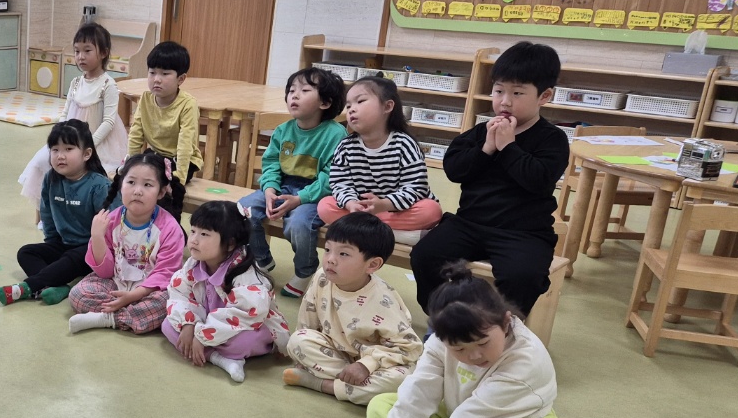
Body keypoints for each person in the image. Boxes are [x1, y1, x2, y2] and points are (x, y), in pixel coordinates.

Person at [361, 263, 565, 418]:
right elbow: (420, 387)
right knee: (380, 406)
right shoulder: (439, 341)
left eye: (483, 343)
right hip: (454, 412)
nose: (474, 356)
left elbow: (476, 417)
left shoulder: (526, 361)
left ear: (506, 321)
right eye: (459, 349)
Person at [410, 42, 569, 316]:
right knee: (426, 255)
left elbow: (539, 180)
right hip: (470, 223)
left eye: (517, 93)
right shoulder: (480, 132)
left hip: (523, 232)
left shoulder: (552, 139)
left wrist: (508, 147)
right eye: (498, 91)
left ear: (544, 96)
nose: (505, 101)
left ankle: (500, 328)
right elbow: (454, 170)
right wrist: (486, 148)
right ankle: (444, 318)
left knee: (523, 276)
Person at [284, 213, 424, 404]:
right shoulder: (322, 277)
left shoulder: (383, 300)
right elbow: (307, 322)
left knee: (403, 380)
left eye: (343, 254)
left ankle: (322, 384)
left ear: (372, 264)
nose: (330, 259)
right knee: (298, 340)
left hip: (378, 362)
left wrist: (367, 364)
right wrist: (301, 355)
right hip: (336, 353)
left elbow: (410, 348)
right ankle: (351, 385)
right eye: (327, 249)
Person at [238, 67, 347, 298]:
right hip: (284, 185)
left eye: (305, 90)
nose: (294, 95)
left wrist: (300, 199)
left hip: (317, 193)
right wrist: (269, 189)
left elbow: (332, 177)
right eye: (291, 90)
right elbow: (271, 164)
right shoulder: (283, 130)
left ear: (325, 103)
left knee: (298, 223)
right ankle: (261, 259)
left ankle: (305, 270)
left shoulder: (336, 134)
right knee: (243, 209)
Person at [163, 200, 290, 383]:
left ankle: (215, 353)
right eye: (193, 231)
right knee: (168, 325)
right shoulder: (194, 263)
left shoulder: (245, 275)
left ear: (230, 244)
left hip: (244, 325)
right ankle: (219, 358)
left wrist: (202, 336)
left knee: (244, 342)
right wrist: (188, 324)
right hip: (209, 323)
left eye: (204, 234)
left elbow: (245, 314)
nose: (194, 240)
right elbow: (179, 293)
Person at [18, 22, 128, 216]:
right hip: (69, 140)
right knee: (40, 162)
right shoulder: (76, 83)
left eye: (87, 50)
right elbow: (65, 114)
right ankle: (45, 213)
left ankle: (77, 213)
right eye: (77, 51)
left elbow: (109, 122)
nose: (80, 56)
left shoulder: (108, 84)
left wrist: (89, 144)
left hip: (98, 143)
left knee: (86, 171)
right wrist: (56, 138)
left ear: (103, 53)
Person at [68, 152, 184, 335]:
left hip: (150, 291)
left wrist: (134, 296)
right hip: (116, 282)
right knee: (78, 294)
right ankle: (130, 317)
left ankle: (107, 318)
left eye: (147, 185)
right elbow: (104, 272)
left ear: (161, 192)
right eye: (131, 182)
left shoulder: (170, 228)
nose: (137, 191)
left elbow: (165, 273)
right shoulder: (110, 221)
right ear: (121, 185)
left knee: (168, 302)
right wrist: (97, 237)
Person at [318, 76, 443, 245]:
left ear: (387, 106)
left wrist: (384, 204)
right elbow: (340, 183)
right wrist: (350, 203)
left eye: (360, 101)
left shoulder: (404, 144)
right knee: (325, 206)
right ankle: (395, 234)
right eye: (348, 106)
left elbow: (416, 188)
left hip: (396, 209)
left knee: (431, 210)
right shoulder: (345, 146)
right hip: (360, 210)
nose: (352, 109)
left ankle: (360, 230)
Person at [0, 119, 110, 306]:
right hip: (64, 245)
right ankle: (57, 287)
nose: (60, 156)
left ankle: (28, 287)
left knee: (72, 257)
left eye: (68, 149)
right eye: (55, 149)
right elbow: (47, 214)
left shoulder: (99, 185)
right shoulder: (51, 178)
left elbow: (111, 228)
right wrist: (52, 245)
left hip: (91, 249)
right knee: (25, 253)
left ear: (87, 154)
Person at [126, 40, 201, 217]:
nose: (156, 79)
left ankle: (170, 226)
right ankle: (138, 221)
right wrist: (131, 164)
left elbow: (185, 145)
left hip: (181, 160)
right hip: (156, 155)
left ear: (180, 79)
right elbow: (136, 134)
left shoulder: (187, 104)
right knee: (134, 180)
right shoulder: (145, 99)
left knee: (163, 187)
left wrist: (178, 178)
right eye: (152, 72)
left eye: (165, 74)